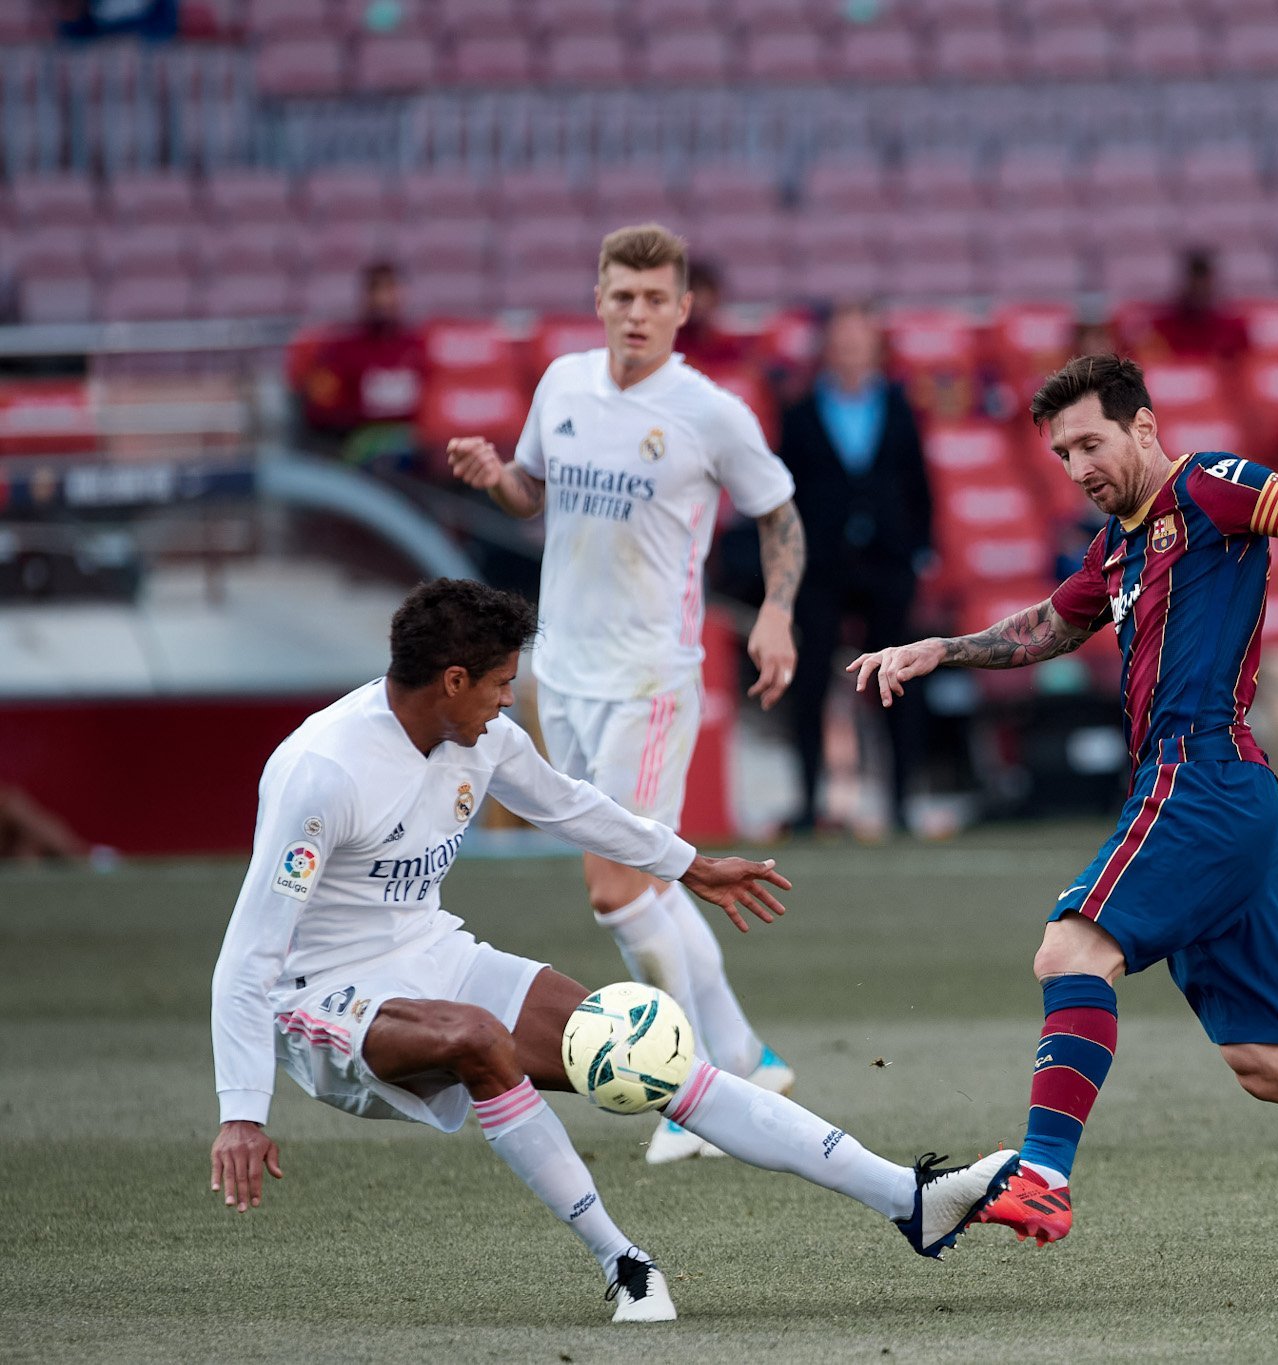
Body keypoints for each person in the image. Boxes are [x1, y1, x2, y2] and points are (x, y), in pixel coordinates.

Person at [847, 355, 1278, 1265]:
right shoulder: (1118, 548)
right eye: (1062, 452)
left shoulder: (1209, 487)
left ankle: (1045, 1174)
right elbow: (1046, 629)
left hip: (1202, 777)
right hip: (1231, 797)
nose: (1077, 466)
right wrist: (940, 648)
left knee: (1072, 949)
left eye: (1092, 442)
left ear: (1144, 428)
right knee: (1269, 1059)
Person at [207, 579, 1018, 1320]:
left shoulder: (480, 737)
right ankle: (625, 1262)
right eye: (498, 684)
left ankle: (911, 1198)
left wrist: (688, 864)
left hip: (430, 953)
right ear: (453, 679)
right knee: (478, 1038)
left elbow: (568, 805)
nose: (506, 701)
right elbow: (249, 954)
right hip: (319, 998)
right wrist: (241, 1112)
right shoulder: (321, 771)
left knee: (643, 1053)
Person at [446, 224, 807, 1165]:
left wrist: (776, 611)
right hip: (560, 671)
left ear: (683, 309)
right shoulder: (562, 384)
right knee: (652, 879)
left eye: (655, 299)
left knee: (615, 887)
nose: (637, 313)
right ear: (599, 298)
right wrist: (498, 480)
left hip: (649, 680)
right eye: (622, 296)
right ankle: (740, 1056)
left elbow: (779, 514)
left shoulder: (711, 412)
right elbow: (531, 490)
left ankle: (688, 1092)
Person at [778, 301, 935, 834]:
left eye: (858, 341)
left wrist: (918, 551)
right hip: (821, 567)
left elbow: (918, 485)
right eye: (841, 342)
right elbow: (785, 494)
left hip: (886, 565)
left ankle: (900, 803)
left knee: (898, 682)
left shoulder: (898, 408)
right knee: (808, 685)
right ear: (828, 350)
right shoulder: (799, 413)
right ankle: (807, 801)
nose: (849, 352)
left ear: (873, 348)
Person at [297, 261, 429, 466]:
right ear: (365, 296)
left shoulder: (419, 347)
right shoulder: (339, 351)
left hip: (417, 448)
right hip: (360, 448)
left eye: (390, 289)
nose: (383, 299)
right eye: (377, 289)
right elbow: (319, 409)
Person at [1129, 248, 1251, 362]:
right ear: (1185, 281)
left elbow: (1245, 368)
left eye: (1204, 280)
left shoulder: (1234, 329)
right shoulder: (1162, 328)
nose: (1199, 287)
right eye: (1195, 279)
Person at [670, 258, 755, 371]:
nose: (697, 301)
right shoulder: (668, 344)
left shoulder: (730, 345)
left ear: (716, 297)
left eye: (704, 293)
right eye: (691, 290)